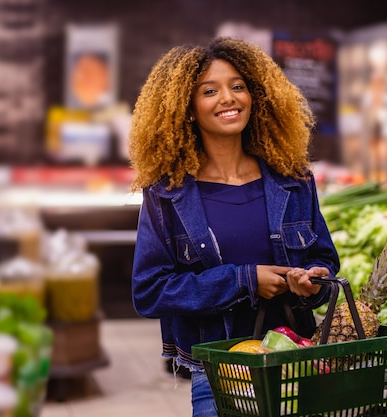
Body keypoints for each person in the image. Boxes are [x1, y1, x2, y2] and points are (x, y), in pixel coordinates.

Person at [128, 36, 340, 417]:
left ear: (255, 96)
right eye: (210, 90)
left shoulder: (292, 180)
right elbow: (150, 291)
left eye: (238, 86)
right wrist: (243, 280)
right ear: (188, 108)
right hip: (219, 372)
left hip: (295, 361)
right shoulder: (168, 193)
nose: (228, 98)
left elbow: (325, 262)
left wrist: (312, 282)